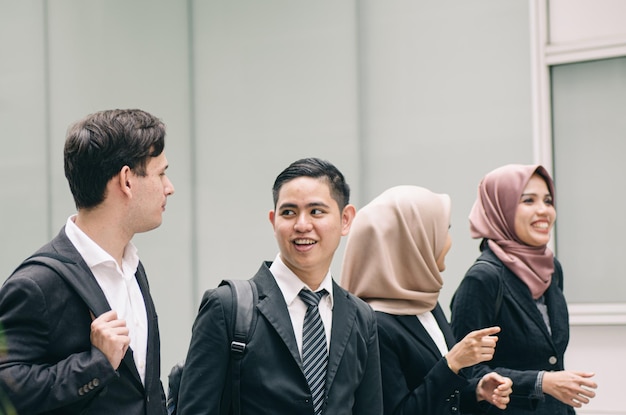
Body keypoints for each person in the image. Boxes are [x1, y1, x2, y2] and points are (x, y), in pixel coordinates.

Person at [0, 109, 175, 414]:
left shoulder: (133, 269)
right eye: (160, 173)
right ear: (126, 181)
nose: (169, 187)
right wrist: (95, 364)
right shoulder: (36, 285)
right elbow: (7, 393)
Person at [177, 157, 382, 415]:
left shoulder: (361, 318)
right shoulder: (227, 307)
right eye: (288, 212)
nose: (302, 225)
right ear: (273, 221)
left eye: (316, 211)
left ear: (345, 219)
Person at [341, 185, 513, 415]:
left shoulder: (425, 303)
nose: (449, 241)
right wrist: (451, 364)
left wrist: (477, 391)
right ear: (412, 242)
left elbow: (442, 397)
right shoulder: (374, 325)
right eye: (443, 231)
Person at [450, 164, 597, 414]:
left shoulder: (551, 269)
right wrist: (542, 382)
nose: (544, 211)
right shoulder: (483, 278)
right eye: (528, 200)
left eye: (548, 201)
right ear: (501, 208)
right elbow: (467, 373)